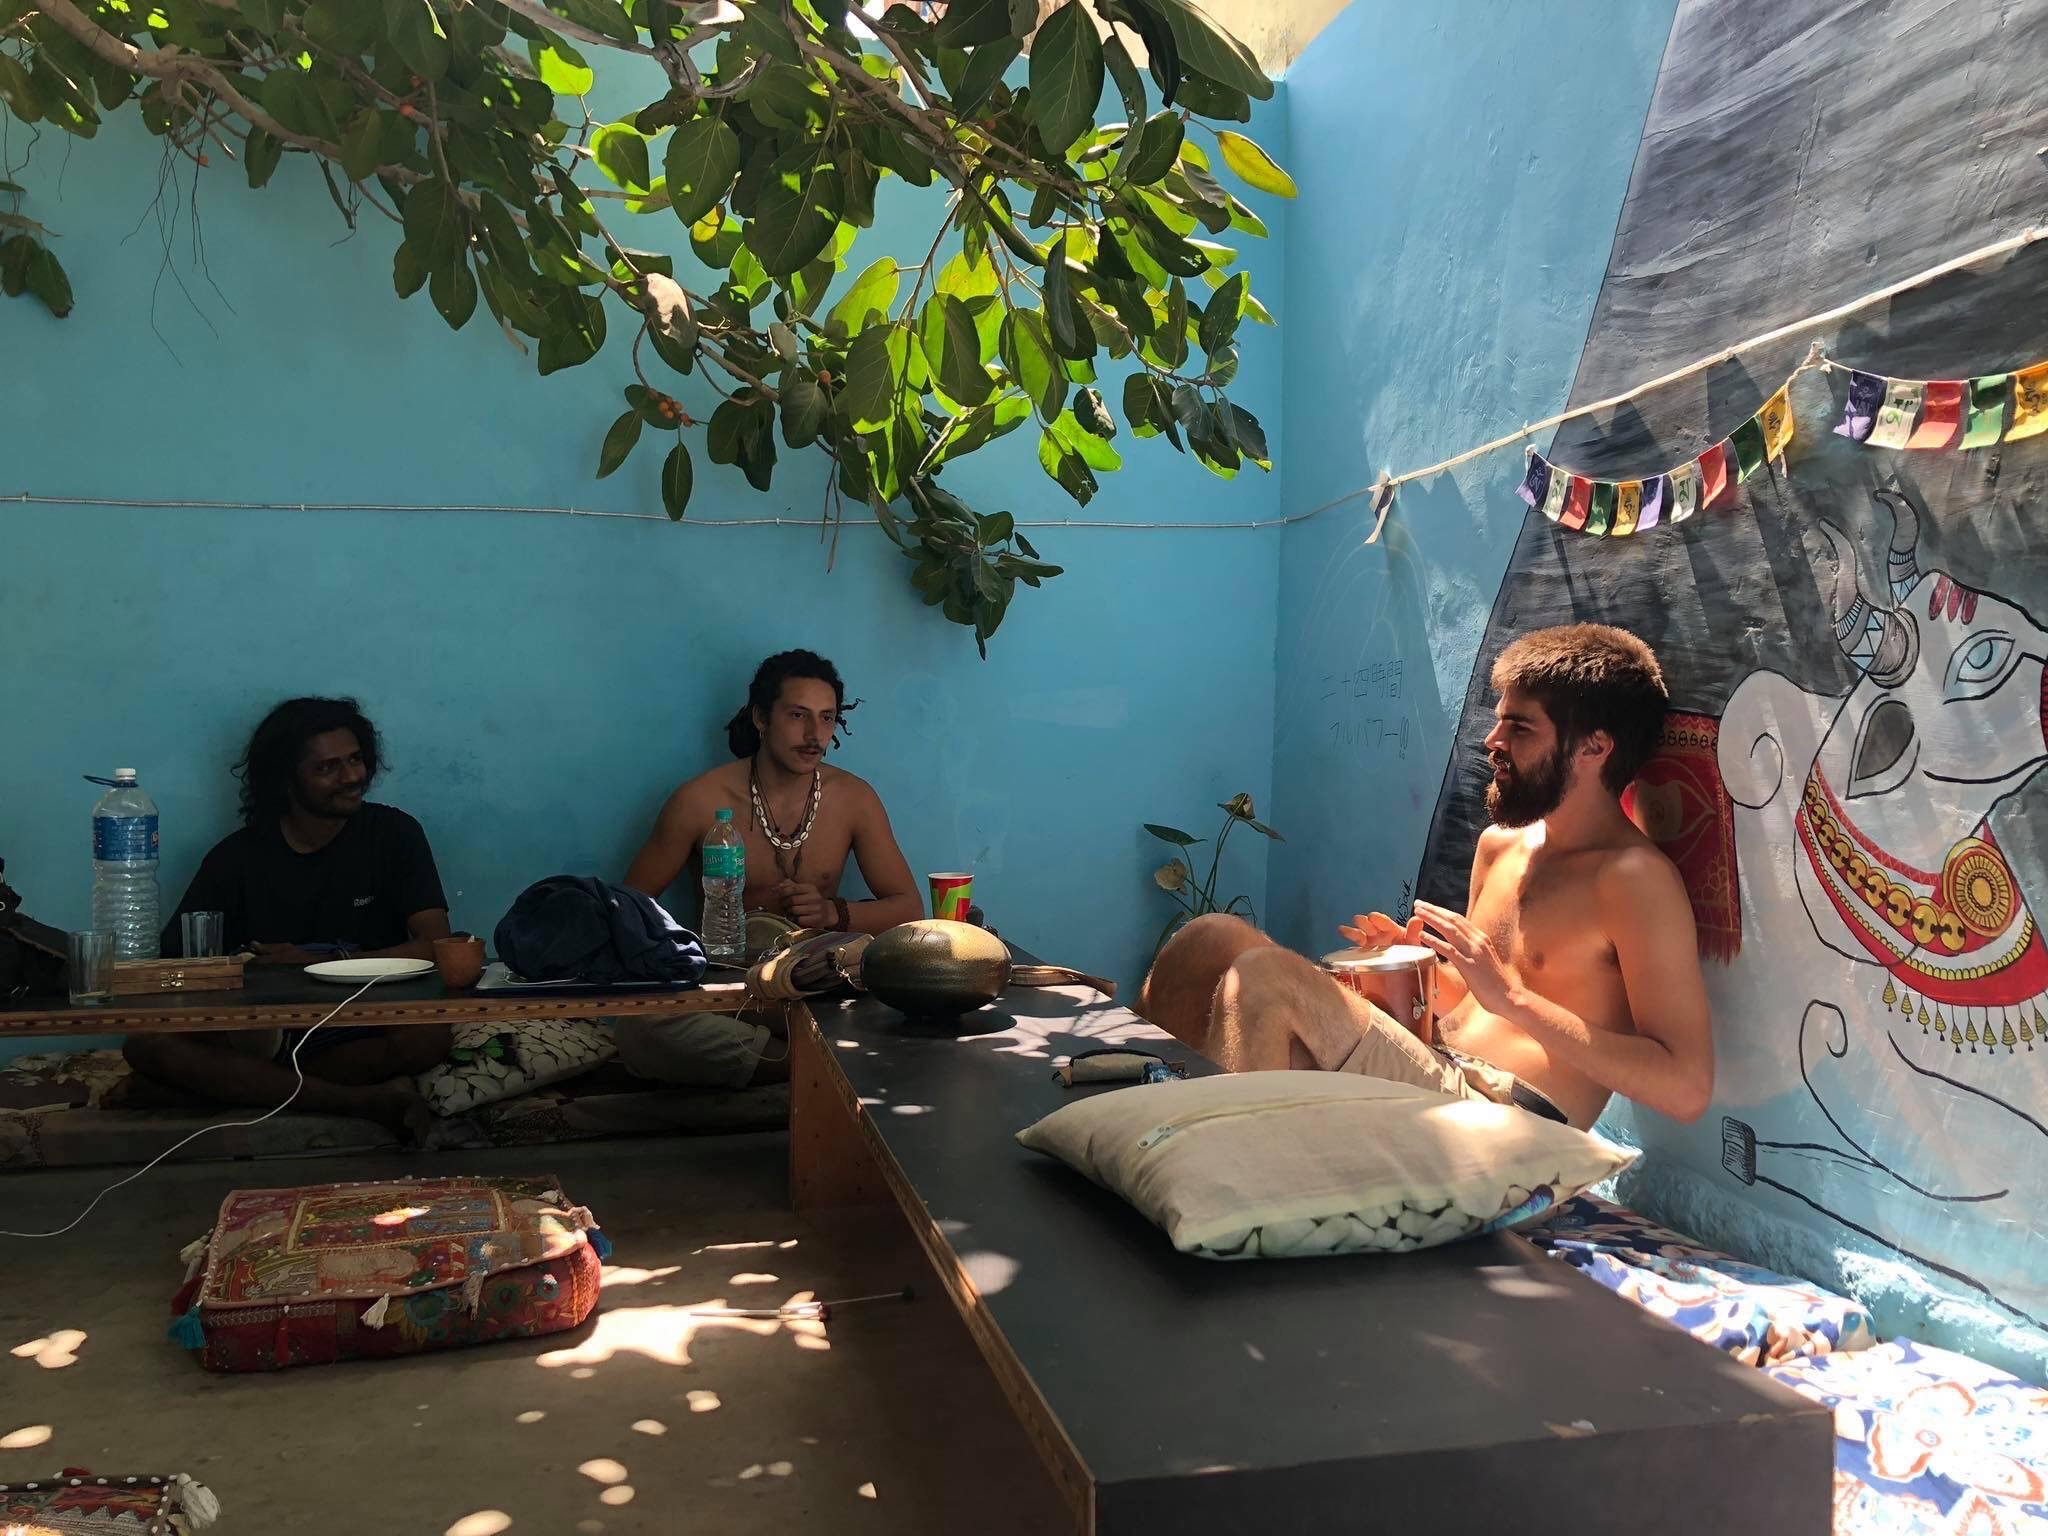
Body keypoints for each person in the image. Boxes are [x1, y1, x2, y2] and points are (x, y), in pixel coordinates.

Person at [1139, 624, 1712, 1131]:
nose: (1493, 743)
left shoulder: (1634, 880)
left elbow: (1685, 1088)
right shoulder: (1501, 846)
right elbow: (1480, 1001)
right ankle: (1162, 1136)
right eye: (1498, 723)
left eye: (1520, 729)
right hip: (1434, 1066)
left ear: (1594, 747)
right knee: (1207, 941)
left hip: (1508, 1119)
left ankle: (1230, 1190)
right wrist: (1414, 972)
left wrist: (1510, 997)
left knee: (1267, 978)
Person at [121, 698, 452, 1139]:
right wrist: (243, 973)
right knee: (148, 1047)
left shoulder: (394, 834)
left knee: (428, 1039)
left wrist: (321, 963)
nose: (352, 776)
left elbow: (435, 943)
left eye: (356, 759)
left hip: (361, 1023)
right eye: (327, 768)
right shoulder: (236, 859)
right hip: (266, 1034)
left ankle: (235, 1085)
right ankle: (362, 1103)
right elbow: (171, 970)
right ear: (286, 780)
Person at [617, 650, 922, 1088]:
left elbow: (907, 906)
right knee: (644, 1029)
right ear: (761, 718)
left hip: (819, 989)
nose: (814, 734)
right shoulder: (699, 801)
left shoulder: (854, 799)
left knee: (915, 998)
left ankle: (798, 1064)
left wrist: (834, 913)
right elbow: (628, 909)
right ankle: (813, 1069)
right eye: (797, 715)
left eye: (827, 717)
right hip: (732, 989)